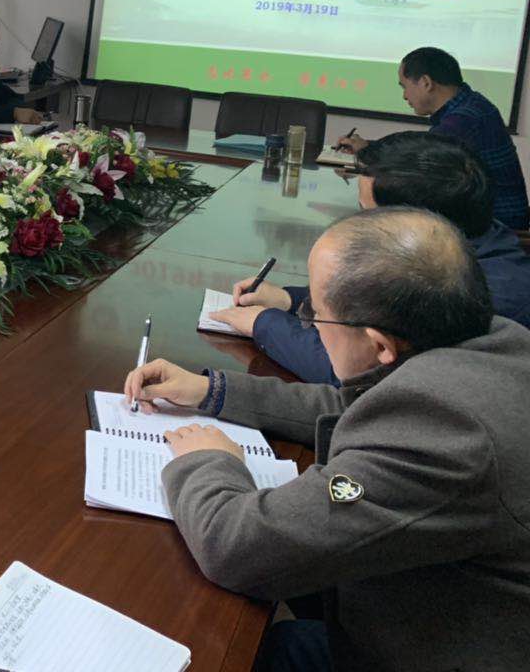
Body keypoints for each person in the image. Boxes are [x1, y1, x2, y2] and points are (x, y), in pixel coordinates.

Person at [126, 207, 530, 672]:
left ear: (379, 345)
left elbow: (235, 548)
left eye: (315, 314)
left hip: (425, 649)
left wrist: (208, 460)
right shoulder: (493, 340)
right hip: (423, 607)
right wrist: (213, 390)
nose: (310, 323)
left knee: (241, 649)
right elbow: (362, 407)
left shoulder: (445, 438)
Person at [213, 132, 530, 385]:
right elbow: (376, 308)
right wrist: (290, 300)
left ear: (417, 222)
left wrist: (263, 323)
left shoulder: (477, 296)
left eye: (367, 213)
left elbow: (355, 372)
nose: (360, 224)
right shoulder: (469, 242)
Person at [337, 46, 528, 229]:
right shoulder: (471, 104)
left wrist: (368, 152)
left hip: (498, 225)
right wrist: (368, 147)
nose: (404, 96)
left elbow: (417, 164)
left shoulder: (463, 120)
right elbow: (420, 150)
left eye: (404, 86)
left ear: (426, 83)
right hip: (493, 217)